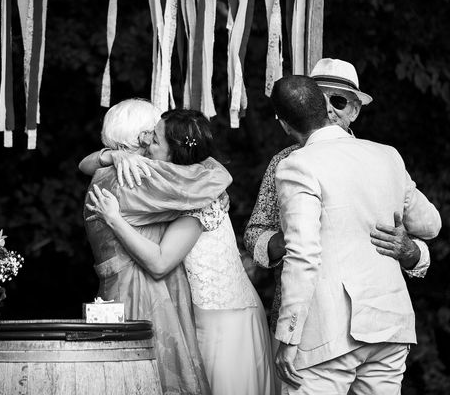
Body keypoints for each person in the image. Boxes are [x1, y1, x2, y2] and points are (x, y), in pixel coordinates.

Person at [270, 75, 441, 393]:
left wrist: (289, 336)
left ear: (282, 123)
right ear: (324, 108)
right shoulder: (387, 155)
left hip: (329, 331)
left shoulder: (297, 165)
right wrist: (411, 245)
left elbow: (303, 254)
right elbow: (431, 224)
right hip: (390, 322)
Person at [87, 109, 275, 395]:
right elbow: (86, 164)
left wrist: (114, 218)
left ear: (174, 154)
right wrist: (110, 155)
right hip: (204, 313)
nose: (147, 141)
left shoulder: (192, 193)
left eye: (155, 139)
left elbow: (160, 263)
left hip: (222, 320)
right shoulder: (188, 178)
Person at [244, 58, 431, 336]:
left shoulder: (382, 159)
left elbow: (429, 226)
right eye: (321, 99)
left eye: (339, 101)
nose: (329, 109)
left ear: (355, 110)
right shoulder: (285, 162)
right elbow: (254, 233)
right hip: (308, 321)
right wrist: (288, 239)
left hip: (378, 322)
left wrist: (411, 251)